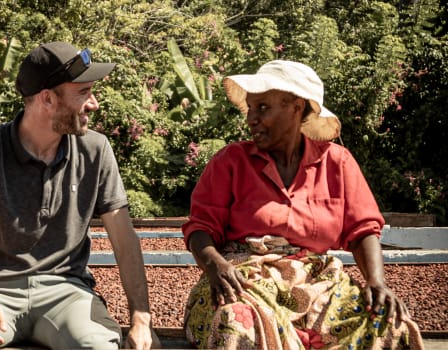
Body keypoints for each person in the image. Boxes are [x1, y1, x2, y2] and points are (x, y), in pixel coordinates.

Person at [0, 41, 160, 350]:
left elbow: (125, 242)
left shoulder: (96, 150)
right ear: (47, 99)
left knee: (99, 346)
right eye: (83, 93)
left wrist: (141, 319)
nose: (94, 103)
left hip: (67, 292)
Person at [182, 60, 425, 349]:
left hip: (319, 288)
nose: (251, 119)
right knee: (237, 322)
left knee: (388, 325)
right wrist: (215, 265)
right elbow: (200, 228)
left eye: (262, 108)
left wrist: (377, 282)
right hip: (245, 281)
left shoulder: (337, 162)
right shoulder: (231, 161)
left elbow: (362, 230)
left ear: (296, 107)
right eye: (251, 108)